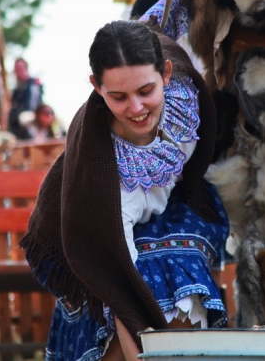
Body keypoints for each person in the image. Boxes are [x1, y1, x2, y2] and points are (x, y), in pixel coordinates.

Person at [20, 20, 229, 361]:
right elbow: (119, 282)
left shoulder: (185, 95)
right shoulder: (103, 176)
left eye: (145, 91)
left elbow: (167, 22)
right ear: (97, 87)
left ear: (166, 73)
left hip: (173, 201)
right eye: (118, 97)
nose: (136, 108)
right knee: (152, 274)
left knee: (186, 258)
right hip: (89, 225)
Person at [7, 58, 44, 140]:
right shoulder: (16, 90)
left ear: (26, 69)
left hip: (32, 118)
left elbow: (31, 106)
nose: (18, 72)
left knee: (25, 118)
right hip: (16, 122)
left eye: (20, 69)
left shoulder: (33, 85)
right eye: (16, 69)